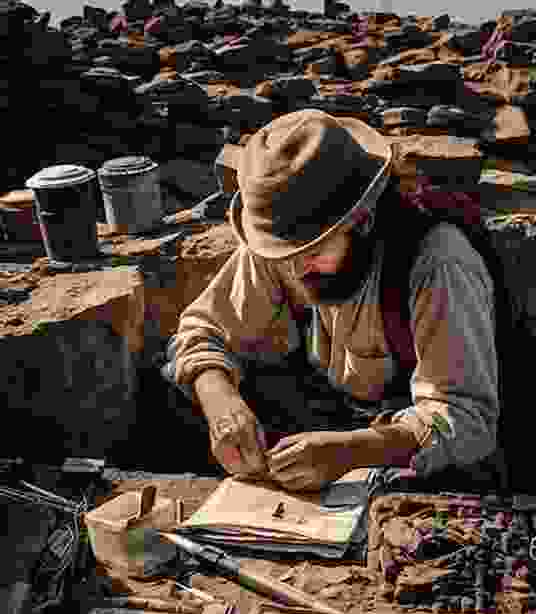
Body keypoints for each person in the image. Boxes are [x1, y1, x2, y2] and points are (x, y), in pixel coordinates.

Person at [162, 110, 502, 493]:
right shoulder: (280, 243)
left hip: (412, 452)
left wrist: (351, 452)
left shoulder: (438, 263)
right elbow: (200, 334)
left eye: (311, 252)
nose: (293, 268)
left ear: (362, 220)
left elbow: (466, 420)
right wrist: (222, 406)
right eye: (283, 254)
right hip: (328, 415)